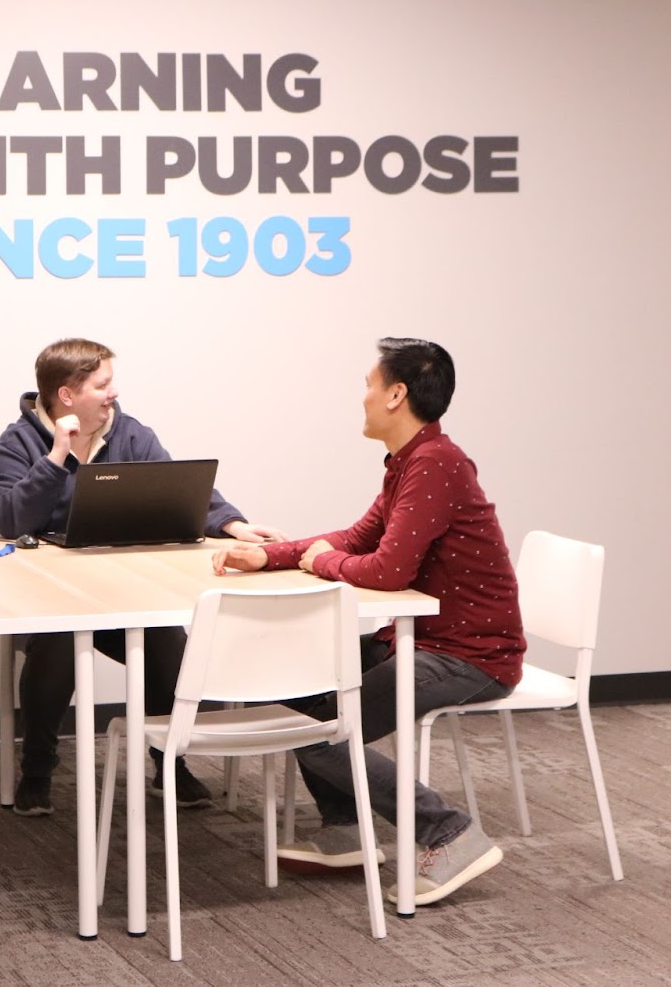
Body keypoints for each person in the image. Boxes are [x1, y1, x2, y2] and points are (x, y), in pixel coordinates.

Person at [211, 338, 521, 906]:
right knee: (301, 698)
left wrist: (318, 562)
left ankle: (449, 832)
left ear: (397, 394)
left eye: (369, 385)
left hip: (470, 654)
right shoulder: (411, 462)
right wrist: (269, 555)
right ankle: (346, 830)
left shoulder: (436, 463)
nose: (364, 398)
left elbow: (385, 568)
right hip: (420, 642)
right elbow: (358, 539)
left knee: (321, 729)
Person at [0, 337, 285, 817]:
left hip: (122, 590)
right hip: (53, 596)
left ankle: (170, 763)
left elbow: (177, 489)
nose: (113, 393)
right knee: (58, 645)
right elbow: (6, 517)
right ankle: (37, 769)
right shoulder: (18, 441)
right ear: (67, 395)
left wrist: (230, 523)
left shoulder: (130, 433)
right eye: (102, 385)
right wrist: (57, 456)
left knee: (169, 641)